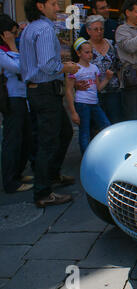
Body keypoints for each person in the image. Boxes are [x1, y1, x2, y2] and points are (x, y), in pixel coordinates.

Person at [20, 0, 79, 208]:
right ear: (40, 6)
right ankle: (43, 192)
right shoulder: (44, 28)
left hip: (37, 90)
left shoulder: (30, 28)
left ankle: (50, 176)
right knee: (49, 141)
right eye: (53, 4)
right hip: (45, 91)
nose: (58, 8)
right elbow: (47, 65)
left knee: (62, 133)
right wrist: (67, 67)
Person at [0, 14, 33, 193]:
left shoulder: (9, 50)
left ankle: (18, 173)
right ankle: (10, 181)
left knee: (24, 137)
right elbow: (20, 67)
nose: (15, 35)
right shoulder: (2, 51)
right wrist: (13, 46)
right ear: (4, 34)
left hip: (21, 97)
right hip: (11, 98)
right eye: (12, 33)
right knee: (12, 140)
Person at [65, 38, 113, 154]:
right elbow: (68, 90)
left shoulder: (94, 68)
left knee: (106, 126)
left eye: (91, 52)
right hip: (82, 104)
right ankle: (86, 157)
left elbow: (98, 88)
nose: (90, 55)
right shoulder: (74, 69)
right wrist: (73, 112)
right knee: (84, 132)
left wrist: (107, 79)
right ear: (78, 53)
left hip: (94, 103)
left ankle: (101, 152)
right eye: (86, 52)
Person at [84, 15, 122, 124]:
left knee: (114, 123)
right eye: (96, 29)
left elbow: (118, 65)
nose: (99, 32)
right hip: (94, 92)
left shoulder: (111, 44)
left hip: (113, 90)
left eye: (101, 29)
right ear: (88, 30)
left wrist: (121, 84)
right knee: (96, 125)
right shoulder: (85, 48)